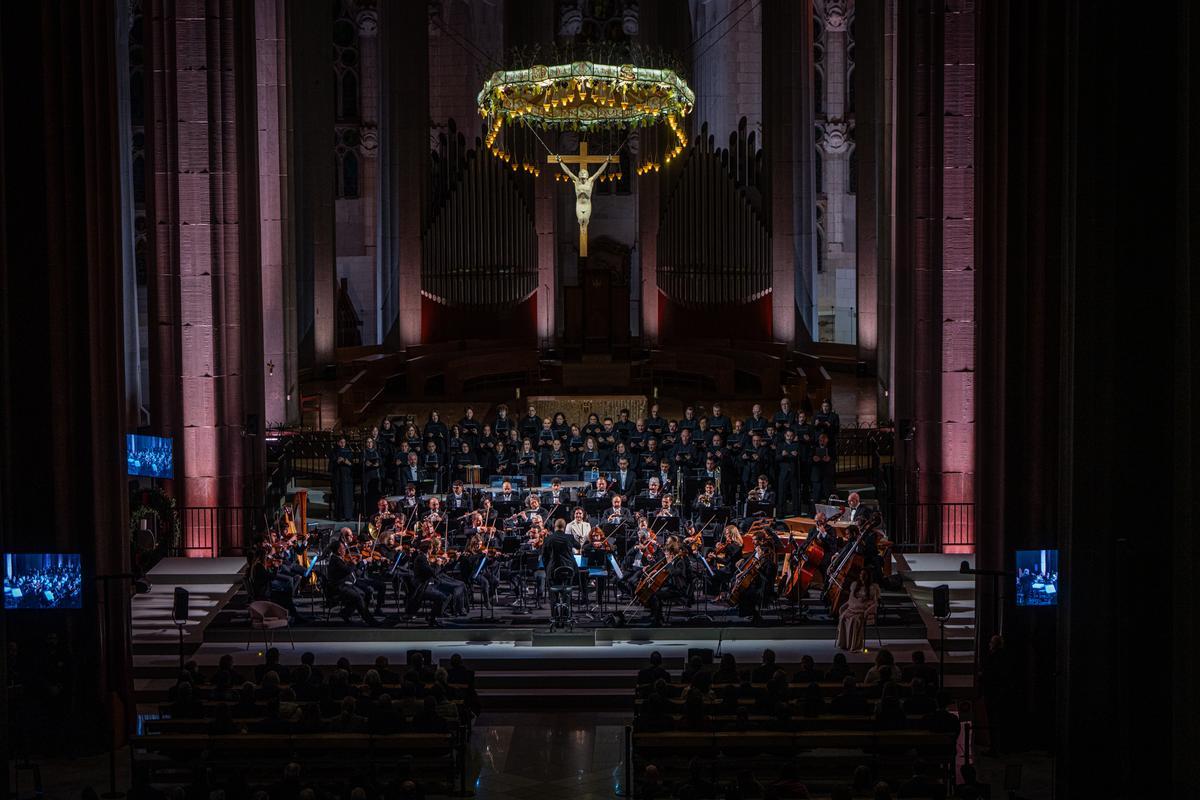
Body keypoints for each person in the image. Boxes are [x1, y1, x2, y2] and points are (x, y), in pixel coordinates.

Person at [835, 567, 879, 651]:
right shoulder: (855, 585)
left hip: (862, 611)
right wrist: (849, 606)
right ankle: (845, 643)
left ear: (868, 576)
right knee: (843, 617)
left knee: (855, 620)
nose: (862, 576)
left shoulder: (872, 588)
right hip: (852, 609)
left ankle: (854, 645)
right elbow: (850, 599)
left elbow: (874, 602)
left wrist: (867, 610)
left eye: (864, 574)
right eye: (861, 574)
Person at [331, 435, 355, 520]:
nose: (342, 444)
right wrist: (337, 461)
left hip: (347, 477)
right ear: (338, 443)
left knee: (347, 497)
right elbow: (331, 465)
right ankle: (339, 516)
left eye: (344, 442)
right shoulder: (334, 452)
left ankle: (348, 516)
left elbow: (352, 464)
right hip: (338, 477)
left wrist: (347, 462)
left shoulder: (349, 451)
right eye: (341, 442)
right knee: (338, 496)